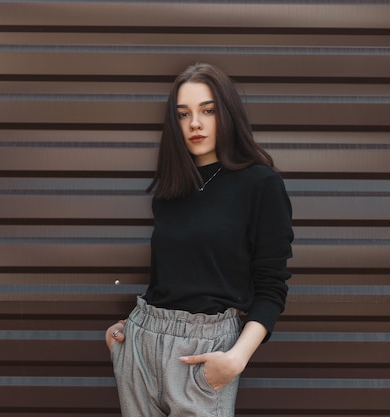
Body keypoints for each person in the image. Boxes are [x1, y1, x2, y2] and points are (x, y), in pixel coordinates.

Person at [105, 62, 293, 417]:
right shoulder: (170, 191)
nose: (195, 123)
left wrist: (236, 358)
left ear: (227, 114)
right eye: (183, 114)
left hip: (203, 353)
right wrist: (124, 331)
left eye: (207, 110)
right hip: (142, 345)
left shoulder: (261, 185)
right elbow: (168, 278)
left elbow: (271, 287)